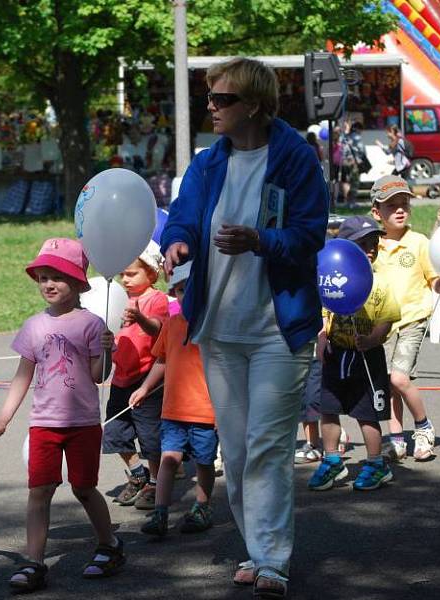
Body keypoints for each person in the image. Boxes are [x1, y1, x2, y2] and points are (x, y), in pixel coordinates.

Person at [161, 57, 329, 598]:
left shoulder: (296, 159)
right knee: (233, 449)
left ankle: (271, 559)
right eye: (209, 97)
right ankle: (256, 547)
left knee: (268, 445)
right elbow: (184, 213)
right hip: (219, 328)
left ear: (254, 104)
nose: (211, 106)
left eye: (222, 99)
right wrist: (176, 241)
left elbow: (309, 236)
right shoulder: (208, 163)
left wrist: (261, 240)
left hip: (277, 329)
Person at [0, 238, 124, 592]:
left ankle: (109, 545)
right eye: (42, 277)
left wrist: (107, 352)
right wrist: (3, 417)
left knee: (84, 488)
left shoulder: (92, 324)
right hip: (43, 425)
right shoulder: (33, 326)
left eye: (58, 277)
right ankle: (34, 561)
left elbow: (99, 375)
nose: (48, 284)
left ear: (80, 283)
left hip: (82, 423)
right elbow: (23, 376)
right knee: (40, 490)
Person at [308, 216, 401, 492]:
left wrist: (373, 338)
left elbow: (388, 316)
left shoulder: (380, 281)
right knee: (329, 409)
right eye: (363, 244)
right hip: (337, 353)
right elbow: (325, 309)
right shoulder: (332, 276)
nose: (370, 249)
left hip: (366, 357)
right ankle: (332, 459)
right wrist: (323, 336)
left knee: (366, 413)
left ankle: (376, 463)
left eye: (374, 243)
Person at [129, 261, 218, 537]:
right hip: (173, 410)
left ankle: (202, 506)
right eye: (178, 290)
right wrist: (144, 388)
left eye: (189, 289)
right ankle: (160, 513)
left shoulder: (214, 323)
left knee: (204, 462)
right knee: (169, 458)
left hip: (205, 411)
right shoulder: (171, 324)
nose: (184, 295)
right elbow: (162, 360)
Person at [370, 176, 440, 462]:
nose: (400, 210)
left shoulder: (418, 242)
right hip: (383, 324)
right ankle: (396, 438)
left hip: (413, 319)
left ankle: (423, 427)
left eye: (404, 204)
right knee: (389, 384)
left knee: (399, 378)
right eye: (392, 206)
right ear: (377, 213)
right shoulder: (373, 245)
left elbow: (434, 278)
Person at [103, 241, 169, 511]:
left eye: (132, 274)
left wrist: (140, 317)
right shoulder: (118, 299)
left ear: (151, 274)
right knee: (115, 431)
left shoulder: (158, 299)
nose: (125, 279)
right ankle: (137, 473)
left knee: (150, 436)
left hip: (147, 379)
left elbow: (158, 330)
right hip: (121, 377)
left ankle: (155, 482)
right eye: (123, 274)